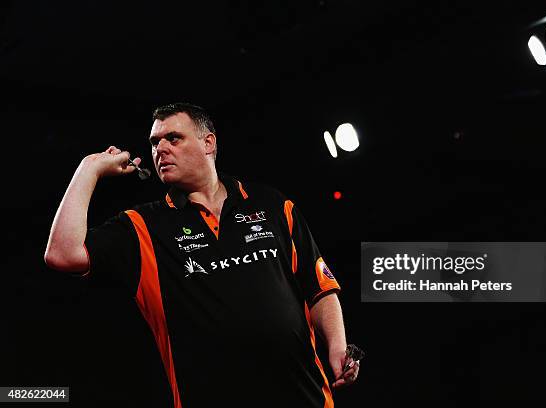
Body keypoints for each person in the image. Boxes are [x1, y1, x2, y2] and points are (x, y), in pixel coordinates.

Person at [44, 102, 359, 407]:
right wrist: (90, 168)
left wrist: (337, 346)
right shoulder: (142, 227)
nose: (160, 149)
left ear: (208, 143)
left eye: (173, 138)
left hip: (304, 398)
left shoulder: (273, 205)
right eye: (155, 142)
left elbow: (319, 288)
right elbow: (62, 254)